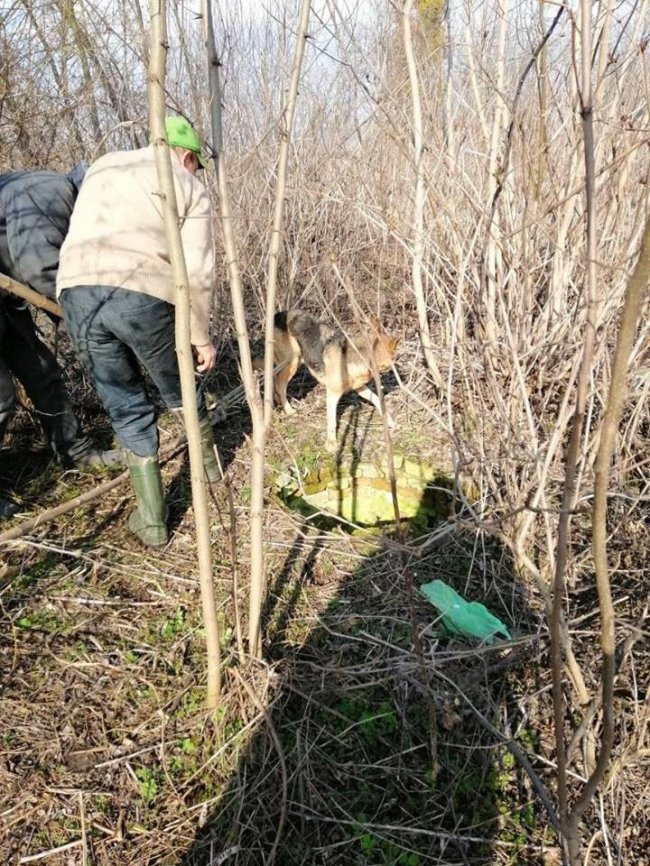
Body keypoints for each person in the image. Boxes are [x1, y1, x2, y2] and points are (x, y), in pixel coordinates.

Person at [57, 116, 220, 548]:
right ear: (186, 157)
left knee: (125, 407)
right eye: (195, 165)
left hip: (75, 292)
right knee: (180, 387)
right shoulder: (189, 186)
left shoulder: (105, 164)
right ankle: (212, 472)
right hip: (141, 289)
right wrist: (200, 335)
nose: (195, 172)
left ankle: (152, 523)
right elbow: (198, 271)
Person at [0, 167, 121, 517]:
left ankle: (75, 451)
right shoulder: (47, 191)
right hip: (10, 292)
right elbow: (39, 267)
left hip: (7, 300)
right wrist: (78, 318)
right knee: (2, 397)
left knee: (42, 372)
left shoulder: (53, 190)